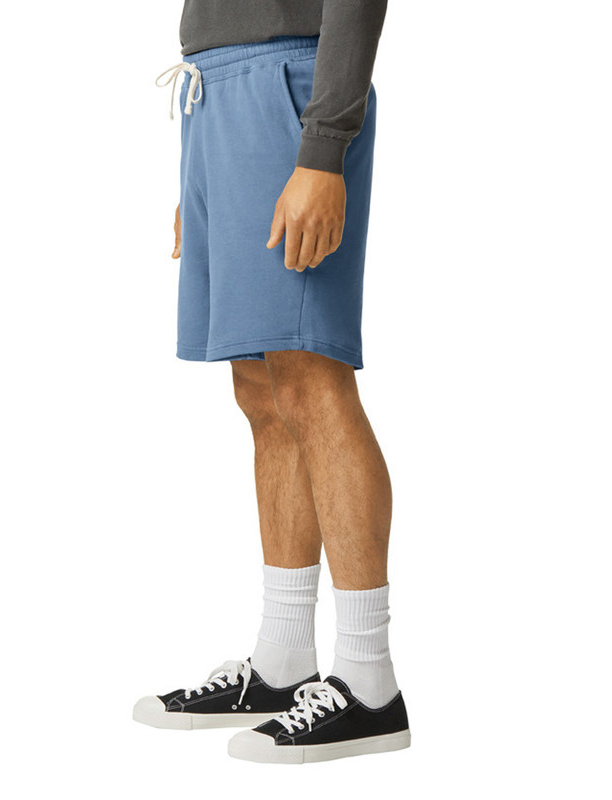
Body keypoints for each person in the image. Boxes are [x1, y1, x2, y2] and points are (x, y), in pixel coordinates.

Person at [133, 0, 411, 763]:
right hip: (212, 92)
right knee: (259, 388)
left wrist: (323, 146)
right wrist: (201, 170)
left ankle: (369, 681)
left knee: (310, 376)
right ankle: (285, 661)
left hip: (288, 86)